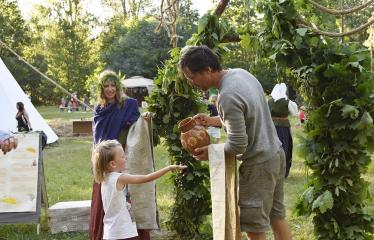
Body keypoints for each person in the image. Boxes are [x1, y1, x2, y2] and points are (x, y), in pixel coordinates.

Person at [179, 45, 292, 240]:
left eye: (191, 77)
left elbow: (238, 144)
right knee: (276, 216)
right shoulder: (241, 74)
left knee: (254, 226)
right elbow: (248, 116)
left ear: (207, 69)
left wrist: (211, 152)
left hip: (259, 165)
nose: (191, 82)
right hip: (275, 154)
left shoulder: (227, 96)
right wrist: (213, 120)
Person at [89, 70, 151, 240]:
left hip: (121, 156)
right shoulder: (99, 109)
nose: (110, 89)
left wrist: (144, 118)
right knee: (107, 198)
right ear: (101, 89)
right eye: (106, 86)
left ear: (118, 86)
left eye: (113, 85)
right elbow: (97, 138)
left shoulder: (128, 104)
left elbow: (136, 126)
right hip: (104, 158)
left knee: (127, 197)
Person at [92, 140, 186, 240]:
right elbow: (146, 178)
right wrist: (168, 168)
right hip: (122, 232)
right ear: (113, 164)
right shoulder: (119, 178)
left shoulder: (105, 178)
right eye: (122, 157)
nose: (126, 158)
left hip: (111, 232)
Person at [268, 83, 298, 178]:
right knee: (284, 148)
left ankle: (272, 170)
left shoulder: (269, 101)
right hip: (283, 128)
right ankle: (282, 172)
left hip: (271, 128)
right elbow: (295, 113)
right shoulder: (287, 102)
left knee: (272, 148)